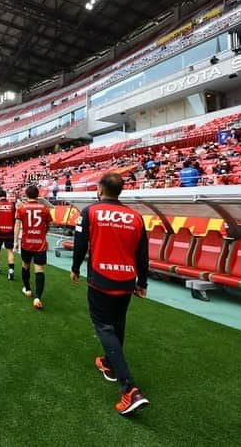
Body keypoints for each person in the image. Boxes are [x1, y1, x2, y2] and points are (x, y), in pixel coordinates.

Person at [71, 173, 149, 416]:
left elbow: (80, 244)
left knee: (104, 326)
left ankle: (130, 389)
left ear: (100, 189)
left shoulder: (90, 211)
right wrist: (142, 282)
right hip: (127, 279)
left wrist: (75, 268)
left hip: (101, 278)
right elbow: (143, 252)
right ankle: (109, 363)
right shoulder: (136, 217)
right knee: (118, 323)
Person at [14, 185, 53, 309]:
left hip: (26, 242)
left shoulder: (21, 208)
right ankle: (37, 297)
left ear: (26, 194)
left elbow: (17, 226)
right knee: (39, 270)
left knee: (25, 266)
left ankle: (28, 289)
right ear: (38, 195)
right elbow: (49, 225)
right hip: (40, 244)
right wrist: (43, 234)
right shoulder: (45, 208)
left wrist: (15, 241)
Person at [0, 189, 16, 280]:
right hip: (10, 231)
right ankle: (11, 270)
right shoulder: (12, 205)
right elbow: (14, 219)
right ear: (5, 196)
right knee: (10, 251)